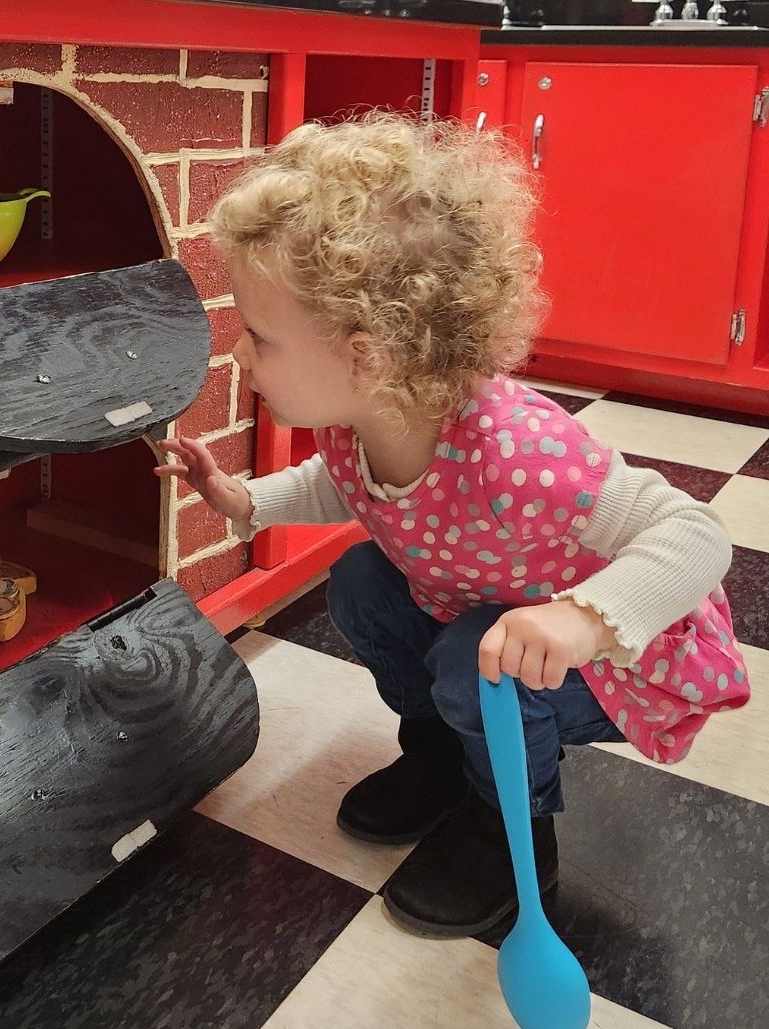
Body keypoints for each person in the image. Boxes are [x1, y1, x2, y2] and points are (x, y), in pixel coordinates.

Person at [154, 113, 751, 938]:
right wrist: (245, 501)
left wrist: (582, 619)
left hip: (615, 661)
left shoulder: (519, 457)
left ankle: (513, 828)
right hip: (477, 629)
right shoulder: (363, 417)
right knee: (362, 582)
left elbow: (695, 536)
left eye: (259, 339)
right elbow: (345, 486)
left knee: (480, 662)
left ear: (365, 355)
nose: (241, 360)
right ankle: (442, 757)